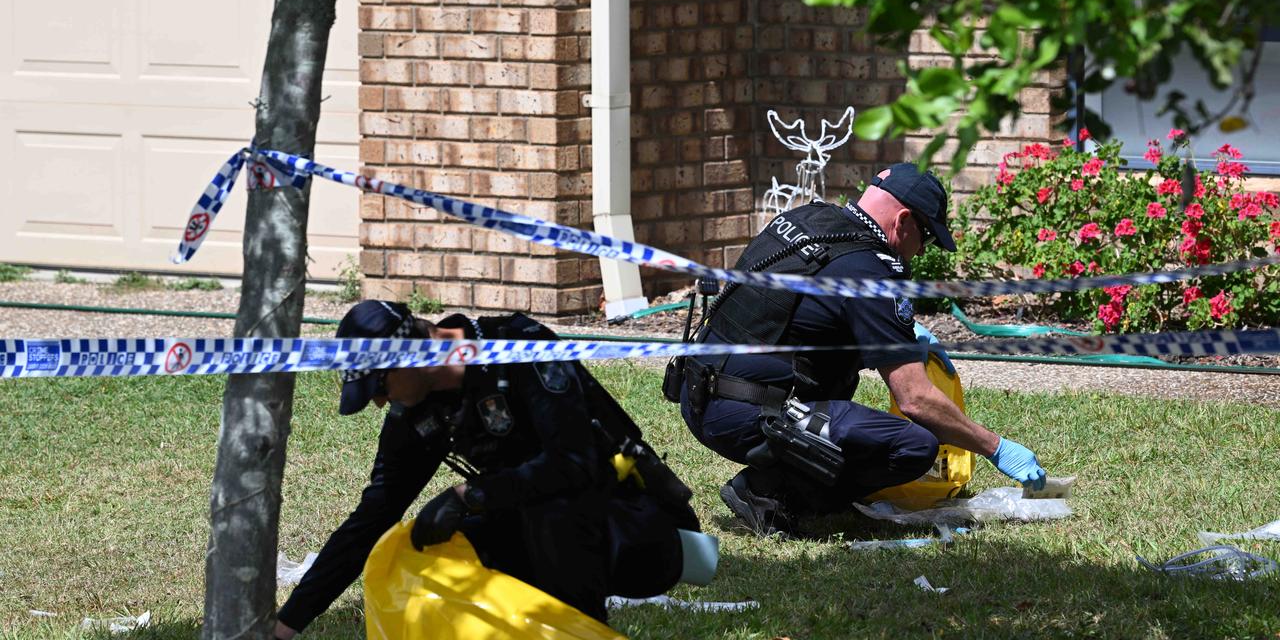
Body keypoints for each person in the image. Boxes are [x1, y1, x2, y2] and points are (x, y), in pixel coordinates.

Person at [275, 301, 700, 637]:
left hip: (636, 531)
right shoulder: (418, 410)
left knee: (548, 509)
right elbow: (372, 518)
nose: (380, 403)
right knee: (432, 552)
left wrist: (472, 495)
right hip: (543, 532)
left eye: (378, 386)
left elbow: (575, 463)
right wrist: (285, 625)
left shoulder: (516, 347)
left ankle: (580, 632)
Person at [669, 162, 1047, 536]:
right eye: (927, 237)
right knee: (912, 446)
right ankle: (766, 491)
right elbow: (916, 399)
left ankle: (776, 477)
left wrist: (900, 332)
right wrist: (995, 447)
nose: (920, 250)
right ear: (903, 222)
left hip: (698, 392)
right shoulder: (871, 272)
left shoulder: (807, 220)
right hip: (746, 411)